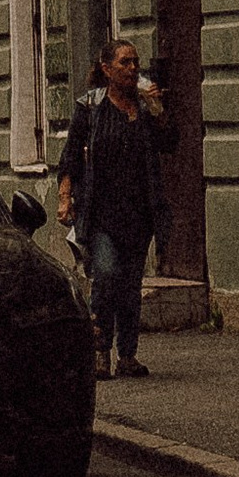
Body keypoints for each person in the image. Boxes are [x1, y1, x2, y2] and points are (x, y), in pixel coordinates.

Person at [57, 34, 171, 379]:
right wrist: (65, 198)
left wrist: (159, 111)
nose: (133, 68)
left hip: (139, 214)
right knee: (106, 276)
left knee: (131, 285)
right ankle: (99, 350)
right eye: (125, 62)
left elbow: (170, 143)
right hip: (100, 213)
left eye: (136, 62)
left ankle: (128, 356)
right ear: (107, 69)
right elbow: (70, 158)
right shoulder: (90, 108)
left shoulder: (144, 108)